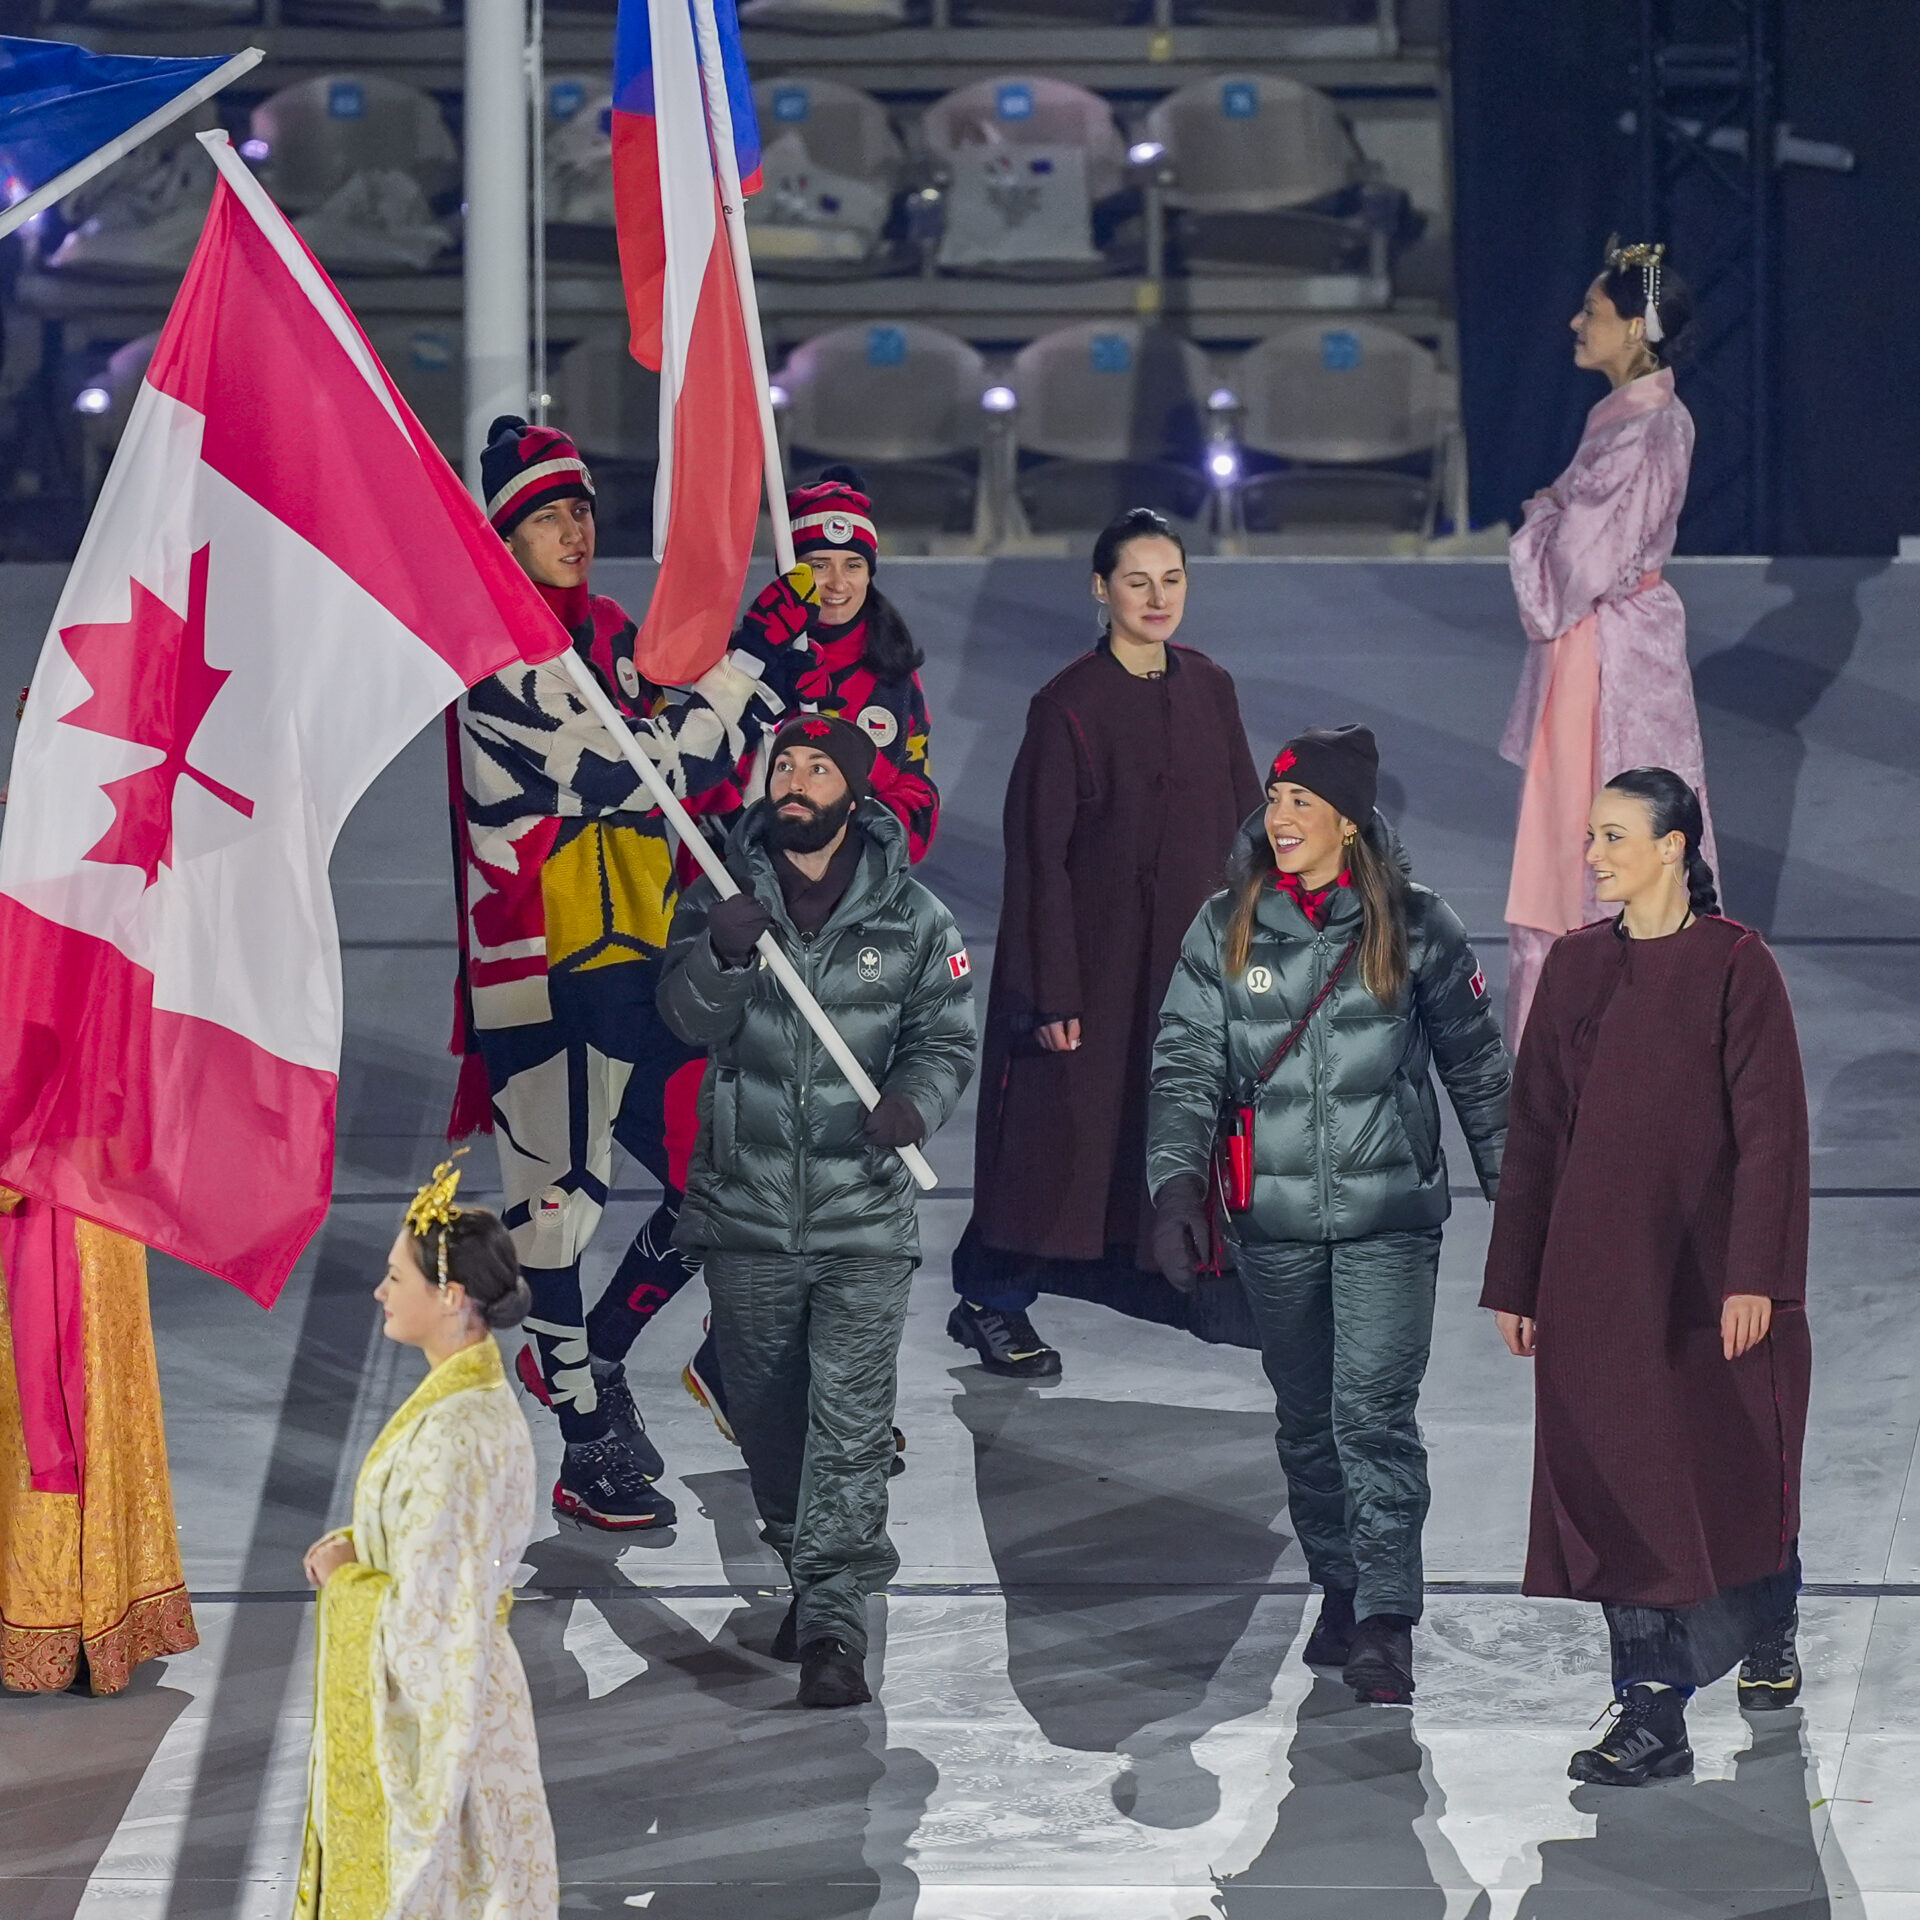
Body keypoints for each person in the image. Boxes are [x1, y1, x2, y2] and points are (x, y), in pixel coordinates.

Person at [449, 415, 806, 1530]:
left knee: (724, 1182)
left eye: (584, 508)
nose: (575, 528)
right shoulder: (492, 665)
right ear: (503, 536)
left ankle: (594, 1355)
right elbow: (629, 768)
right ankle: (584, 1435)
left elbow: (707, 769)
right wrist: (748, 657)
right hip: (541, 978)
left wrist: (776, 693)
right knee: (552, 1218)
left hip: (643, 964)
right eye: (549, 513)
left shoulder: (613, 638)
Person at [1147, 726, 1508, 1706]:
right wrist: (1175, 1188)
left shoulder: (1416, 924)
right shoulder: (1224, 925)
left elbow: (1478, 1067)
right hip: (1276, 1223)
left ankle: (1387, 1616)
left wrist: (1520, 1210)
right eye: (1274, 798)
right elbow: (1184, 1067)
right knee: (1307, 1424)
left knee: (1372, 1416)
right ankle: (1341, 1586)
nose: (1282, 817)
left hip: (1391, 1216)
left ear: (1348, 822)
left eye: (1303, 802)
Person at [1480, 767, 1811, 1787]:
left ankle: (1768, 1628)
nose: (1594, 857)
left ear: (1673, 846)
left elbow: (1771, 1136)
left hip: (1707, 1278)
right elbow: (1534, 1131)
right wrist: (1517, 1279)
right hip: (1594, 1279)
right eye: (1592, 838)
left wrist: (1757, 1274)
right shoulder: (1577, 968)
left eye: (1615, 838)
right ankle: (1651, 1705)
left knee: (1728, 1471)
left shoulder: (1734, 966)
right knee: (1619, 1487)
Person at [657, 714, 976, 1709]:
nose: (794, 782)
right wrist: (716, 951)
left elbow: (945, 1037)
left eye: (816, 770)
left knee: (848, 1424)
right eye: (783, 766)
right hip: (747, 1216)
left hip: (863, 1222)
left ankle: (836, 1620)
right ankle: (808, 1564)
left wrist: (914, 1104)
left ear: (854, 792)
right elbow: (682, 1016)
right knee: (765, 1416)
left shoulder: (914, 917)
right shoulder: (720, 895)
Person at [952, 507, 1264, 1378]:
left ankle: (1174, 1283)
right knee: (1062, 1144)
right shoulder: (1066, 708)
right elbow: (1038, 859)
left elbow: (1250, 833)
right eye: (1138, 581)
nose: (1157, 597)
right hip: (1092, 972)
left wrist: (1256, 953)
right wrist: (1052, 993)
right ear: (1101, 590)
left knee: (1164, 1132)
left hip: (1187, 969)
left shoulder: (1211, 686)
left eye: (1172, 580)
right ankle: (991, 1295)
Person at [678, 466, 940, 1437]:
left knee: (848, 1158)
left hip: (855, 931)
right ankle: (757, 1368)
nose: (833, 581)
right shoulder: (766, 668)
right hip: (762, 928)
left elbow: (918, 798)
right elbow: (699, 766)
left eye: (849, 564)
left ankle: (805, 1379)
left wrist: (862, 849)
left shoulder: (891, 678)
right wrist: (752, 645)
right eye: (816, 564)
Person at [294, 1162, 556, 1918]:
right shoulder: (462, 1400)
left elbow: (432, 1619)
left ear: (449, 1297)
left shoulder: (457, 1433)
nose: (380, 1291)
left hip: (446, 1716)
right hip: (469, 1695)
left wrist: (349, 1576)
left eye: (394, 1276)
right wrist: (360, 1540)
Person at [1502, 239, 1718, 1041]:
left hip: (1604, 653)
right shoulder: (1640, 419)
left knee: (1582, 847)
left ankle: (1581, 1037)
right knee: (1599, 835)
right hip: (1616, 644)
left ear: (1634, 328)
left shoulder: (1643, 430)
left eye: (1592, 312)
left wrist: (1541, 517)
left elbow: (1567, 567)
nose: (1575, 322)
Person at [0, 1192, 197, 1694]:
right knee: (98, 1407)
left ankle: (57, 1624)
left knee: (45, 1417)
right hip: (103, 1223)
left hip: (53, 1234)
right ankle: (96, 1624)